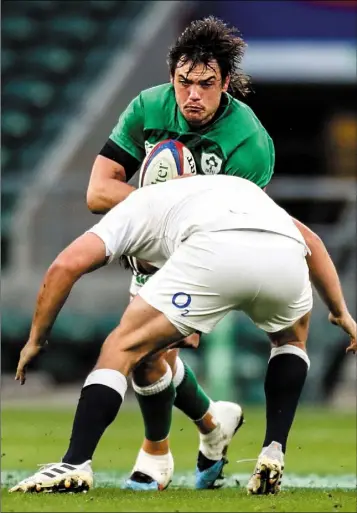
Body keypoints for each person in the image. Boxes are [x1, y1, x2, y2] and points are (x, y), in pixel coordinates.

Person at [11, 175, 356, 496]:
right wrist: (340, 312)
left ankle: (74, 463)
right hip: (284, 251)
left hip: (216, 250)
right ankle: (273, 451)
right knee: (290, 342)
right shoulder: (232, 187)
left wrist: (36, 340)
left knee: (121, 346)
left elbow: (65, 266)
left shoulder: (132, 209)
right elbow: (312, 241)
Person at [85, 15, 276, 491]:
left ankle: (156, 455)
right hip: (152, 254)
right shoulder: (148, 107)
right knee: (151, 357)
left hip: (213, 255)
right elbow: (98, 191)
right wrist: (164, 199)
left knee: (144, 350)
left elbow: (236, 226)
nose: (192, 95)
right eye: (183, 82)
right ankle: (213, 425)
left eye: (206, 85)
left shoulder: (248, 142)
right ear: (172, 76)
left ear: (225, 83)